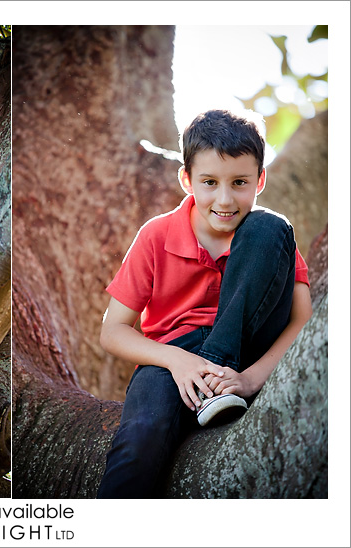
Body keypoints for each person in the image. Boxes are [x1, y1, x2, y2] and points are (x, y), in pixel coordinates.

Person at [96, 109, 313, 498]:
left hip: (249, 351)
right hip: (170, 358)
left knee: (271, 225)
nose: (225, 199)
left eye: (240, 182)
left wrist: (248, 380)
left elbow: (302, 321)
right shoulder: (156, 234)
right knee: (139, 440)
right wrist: (179, 360)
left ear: (259, 180)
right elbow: (112, 331)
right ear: (187, 179)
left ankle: (218, 386)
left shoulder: (270, 239)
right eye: (209, 182)